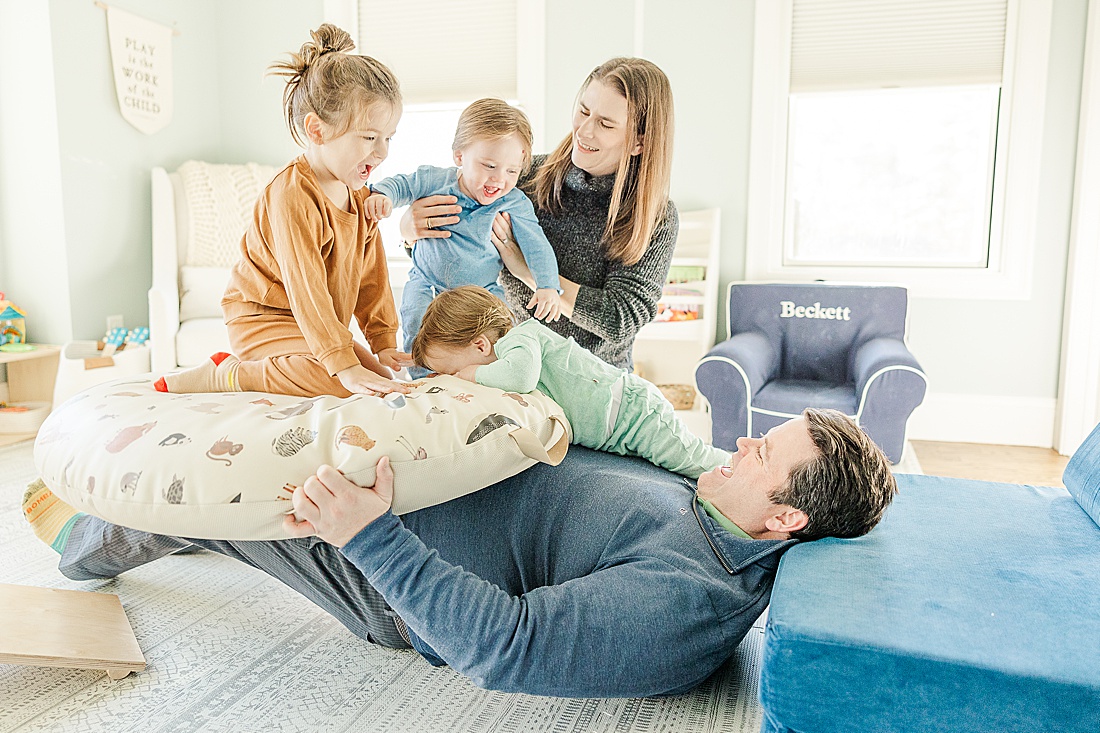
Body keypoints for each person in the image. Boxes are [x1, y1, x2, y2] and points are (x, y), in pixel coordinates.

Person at [23, 408, 896, 698]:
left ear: (784, 520)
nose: (741, 443)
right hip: (425, 482)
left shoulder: (687, 602)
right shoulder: (709, 500)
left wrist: (368, 535)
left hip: (390, 565)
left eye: (763, 455)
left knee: (222, 500)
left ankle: (80, 541)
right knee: (259, 423)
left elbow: (504, 647)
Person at [156, 24, 411, 399]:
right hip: (262, 319)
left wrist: (382, 339)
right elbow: (305, 285)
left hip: (313, 324)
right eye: (370, 138)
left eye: (388, 138)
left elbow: (372, 274)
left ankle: (334, 364)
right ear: (317, 130)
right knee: (340, 381)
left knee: (378, 378)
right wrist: (341, 364)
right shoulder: (291, 195)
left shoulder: (358, 196)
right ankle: (228, 375)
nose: (383, 152)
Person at [400, 57, 677, 371]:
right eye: (584, 111)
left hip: (591, 383)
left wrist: (530, 272)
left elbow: (622, 318)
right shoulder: (523, 176)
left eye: (605, 123)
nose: (584, 130)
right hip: (507, 373)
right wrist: (409, 231)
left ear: (639, 142)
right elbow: (455, 251)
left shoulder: (655, 216)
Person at [411, 286, 728, 479]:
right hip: (614, 431)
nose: (459, 379)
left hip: (634, 413)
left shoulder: (522, 338)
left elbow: (519, 378)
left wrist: (468, 374)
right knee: (676, 470)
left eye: (454, 369)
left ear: (481, 346)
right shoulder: (506, 354)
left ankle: (748, 471)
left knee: (695, 461)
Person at [366, 98, 563, 375]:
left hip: (482, 291)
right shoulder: (435, 180)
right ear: (460, 156)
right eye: (489, 166)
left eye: (512, 171)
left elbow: (536, 245)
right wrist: (383, 194)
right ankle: (422, 379)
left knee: (504, 329)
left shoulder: (514, 202)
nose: (499, 179)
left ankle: (494, 377)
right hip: (428, 281)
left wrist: (547, 286)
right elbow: (402, 184)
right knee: (415, 319)